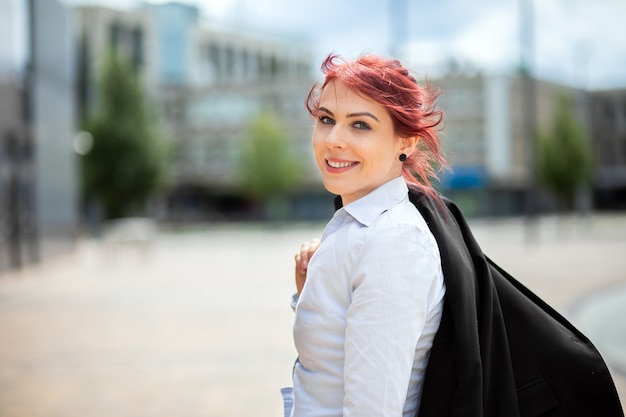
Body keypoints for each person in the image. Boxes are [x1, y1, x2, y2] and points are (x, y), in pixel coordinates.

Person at [285, 53, 448, 417]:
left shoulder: (392, 243)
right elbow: (327, 372)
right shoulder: (360, 229)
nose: (334, 140)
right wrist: (309, 291)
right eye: (327, 119)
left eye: (360, 125)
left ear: (405, 142)